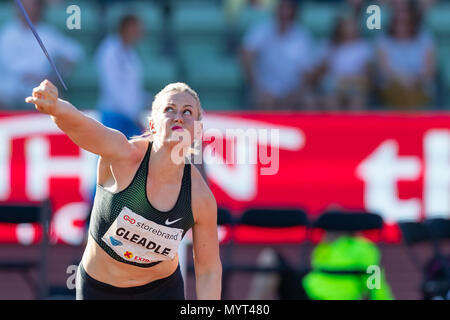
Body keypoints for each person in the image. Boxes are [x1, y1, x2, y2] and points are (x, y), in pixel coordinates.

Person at [25, 79, 222, 300]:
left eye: (188, 112)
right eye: (169, 109)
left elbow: (208, 270)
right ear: (153, 125)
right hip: (100, 290)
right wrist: (56, 107)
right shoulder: (123, 156)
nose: (178, 116)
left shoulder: (199, 197)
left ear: (196, 131)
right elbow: (83, 126)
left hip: (162, 291)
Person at [0, 0, 83, 109]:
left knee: (60, 100)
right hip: (7, 91)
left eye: (32, 5)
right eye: (24, 6)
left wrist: (55, 76)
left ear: (39, 7)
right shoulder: (6, 33)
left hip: (39, 89)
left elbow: (75, 53)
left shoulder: (48, 34)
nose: (27, 9)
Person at [240, 0, 317, 110]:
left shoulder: (303, 37)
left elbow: (308, 72)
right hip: (265, 89)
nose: (284, 13)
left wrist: (295, 93)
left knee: (308, 102)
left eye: (288, 10)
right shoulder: (262, 30)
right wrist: (256, 86)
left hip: (293, 91)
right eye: (282, 9)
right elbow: (245, 54)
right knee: (264, 101)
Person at [95, 14, 150, 139]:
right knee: (108, 154)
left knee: (137, 154)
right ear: (125, 27)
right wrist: (131, 112)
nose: (139, 33)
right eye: (136, 28)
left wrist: (148, 100)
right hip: (114, 114)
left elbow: (133, 88)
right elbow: (112, 86)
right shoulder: (109, 50)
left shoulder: (131, 53)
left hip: (129, 116)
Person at [376, 0, 436, 110]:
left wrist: (415, 79)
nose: (401, 17)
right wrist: (402, 79)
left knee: (412, 93)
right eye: (398, 12)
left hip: (419, 85)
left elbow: (429, 69)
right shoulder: (384, 39)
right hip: (393, 86)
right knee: (400, 91)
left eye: (405, 12)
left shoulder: (424, 37)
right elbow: (384, 69)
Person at [316, 15, 373, 110]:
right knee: (330, 102)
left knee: (356, 102)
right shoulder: (329, 45)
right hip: (333, 88)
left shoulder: (363, 47)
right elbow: (322, 70)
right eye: (346, 25)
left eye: (352, 26)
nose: (349, 29)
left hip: (355, 87)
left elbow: (367, 74)